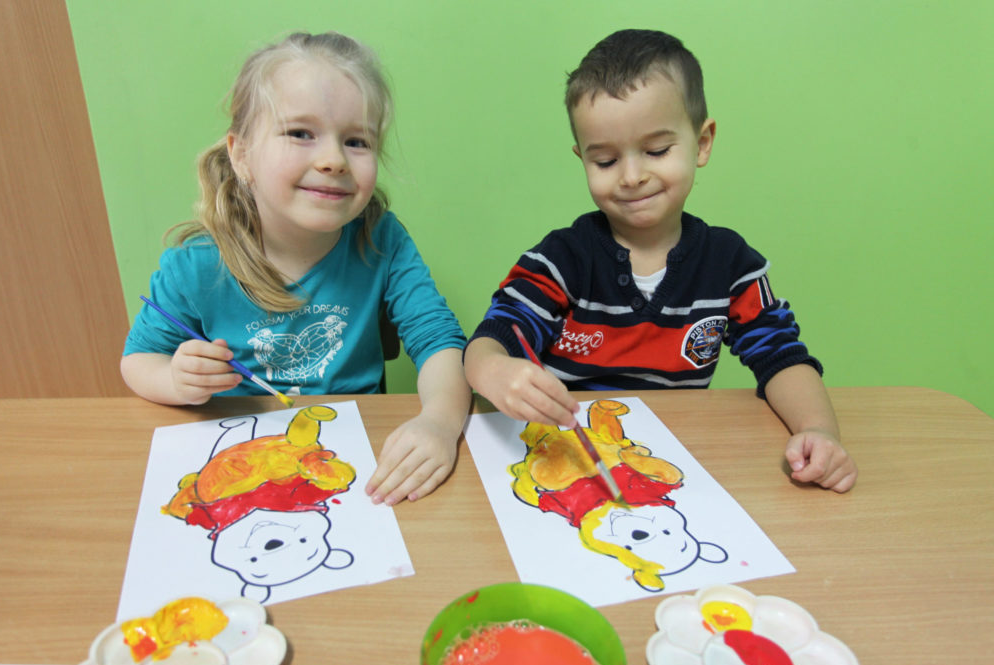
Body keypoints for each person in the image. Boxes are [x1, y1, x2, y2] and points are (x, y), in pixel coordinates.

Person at [463, 29, 857, 493]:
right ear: (581, 158)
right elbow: (491, 340)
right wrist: (495, 371)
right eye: (605, 161)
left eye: (656, 151)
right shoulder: (560, 259)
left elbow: (782, 356)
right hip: (569, 457)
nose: (632, 176)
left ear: (702, 142)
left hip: (670, 459)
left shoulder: (730, 263)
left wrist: (819, 430)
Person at [122, 31, 471, 505]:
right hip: (242, 454)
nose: (333, 160)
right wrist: (175, 380)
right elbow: (138, 360)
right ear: (241, 154)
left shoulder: (381, 239)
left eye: (356, 141)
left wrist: (440, 422)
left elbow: (440, 343)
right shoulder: (195, 266)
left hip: (353, 460)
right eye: (300, 134)